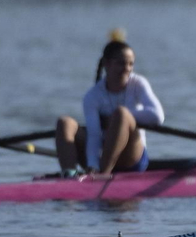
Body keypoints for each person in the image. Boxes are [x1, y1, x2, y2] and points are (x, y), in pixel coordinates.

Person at [55, 40, 164, 178]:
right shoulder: (92, 96)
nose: (127, 69)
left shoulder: (138, 84)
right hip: (101, 155)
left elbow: (157, 116)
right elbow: (94, 135)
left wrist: (116, 118)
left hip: (131, 158)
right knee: (65, 122)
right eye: (121, 63)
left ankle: (104, 174)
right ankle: (69, 174)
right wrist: (93, 165)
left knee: (121, 114)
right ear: (107, 64)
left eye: (131, 64)